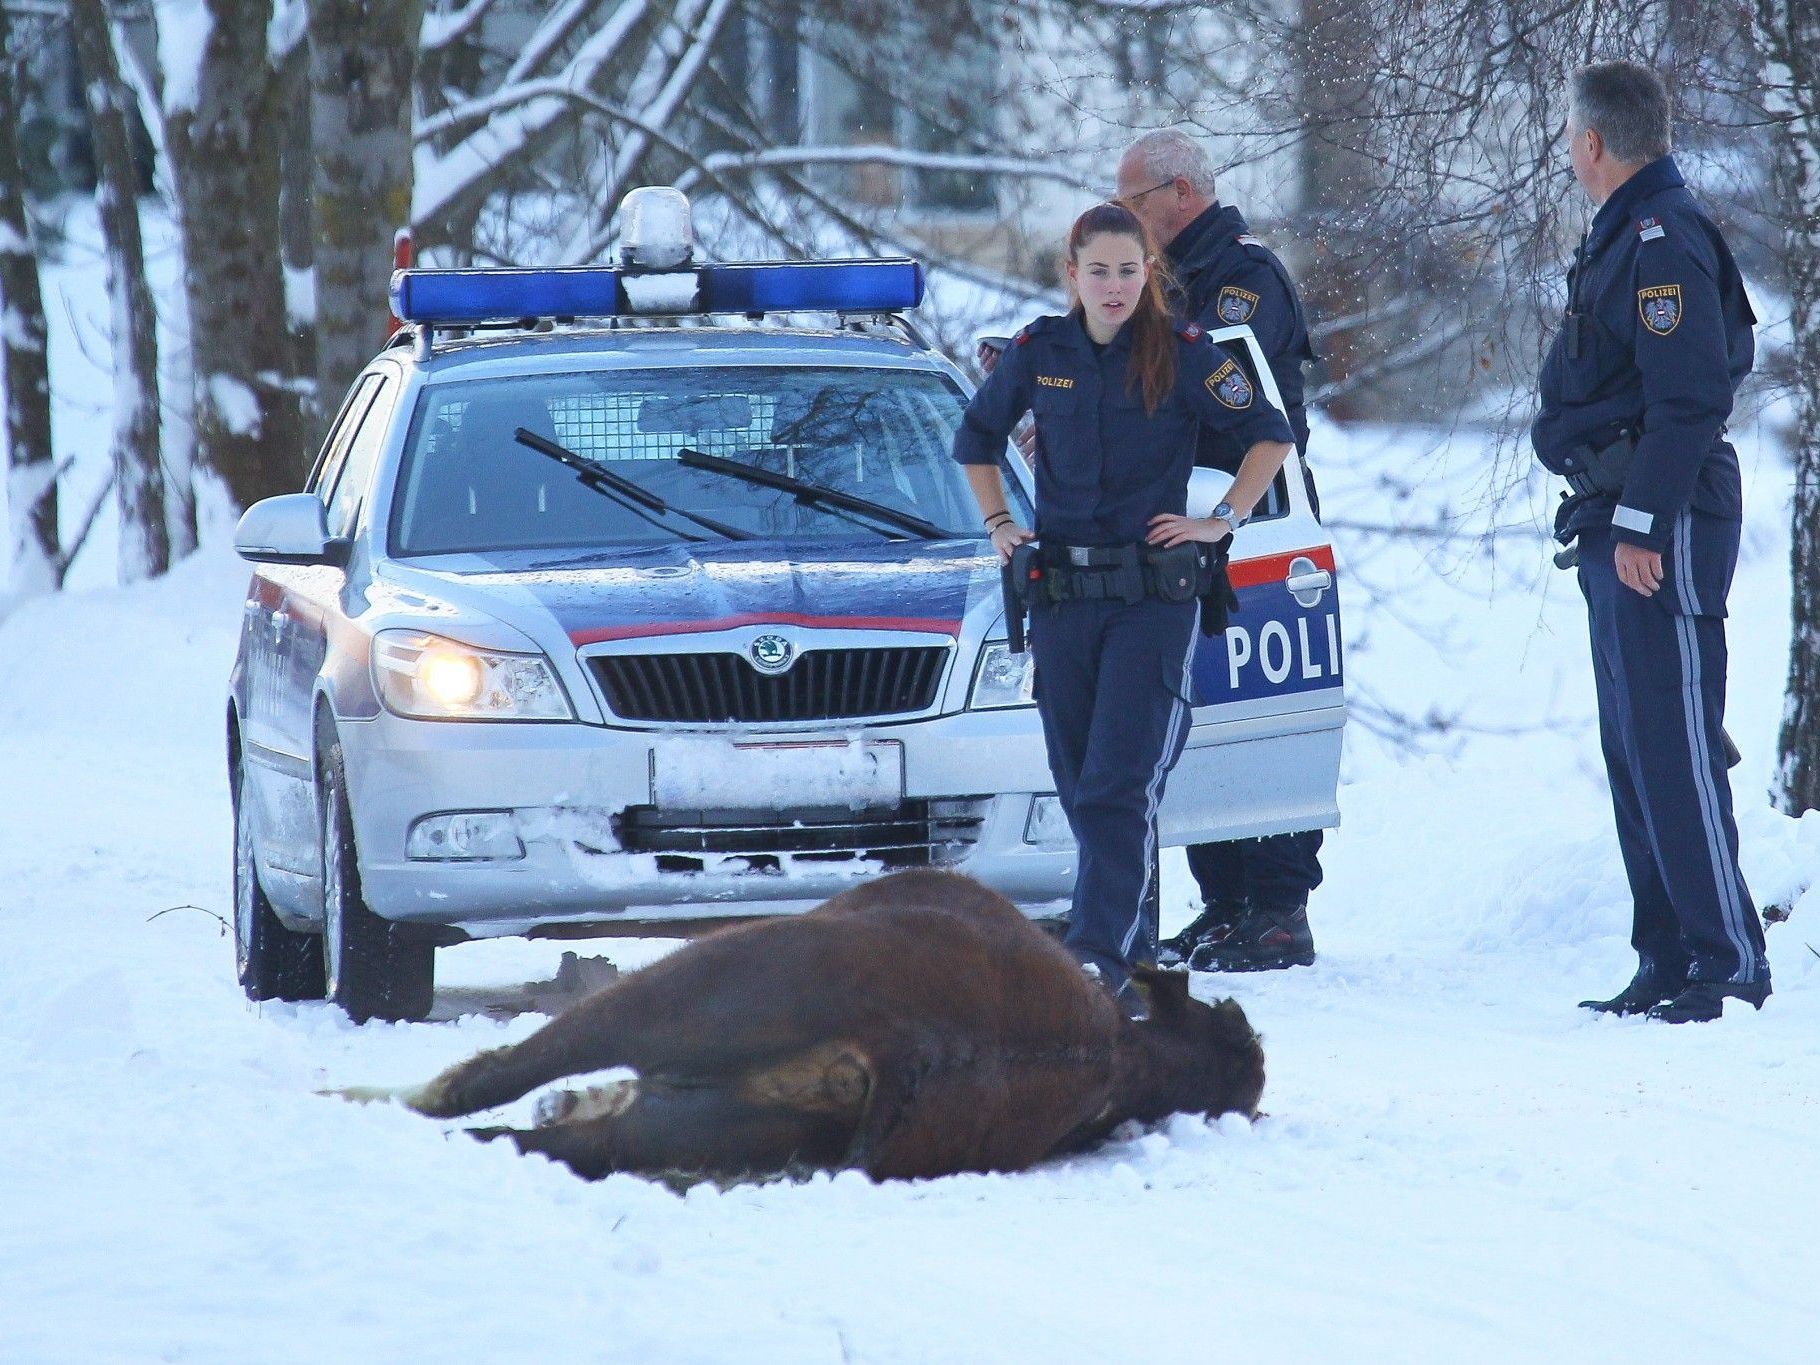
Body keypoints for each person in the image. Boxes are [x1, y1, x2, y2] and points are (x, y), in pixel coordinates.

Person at [951, 201, 1295, 1012]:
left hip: (1151, 605)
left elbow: (1270, 434)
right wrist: (999, 523)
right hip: (1063, 599)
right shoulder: (1041, 351)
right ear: (1072, 275)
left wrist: (1222, 520)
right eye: (1098, 271)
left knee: (1117, 788)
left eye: (1128, 271)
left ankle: (1094, 959)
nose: (1113, 286)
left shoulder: (1184, 351)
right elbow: (975, 438)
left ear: (1149, 274)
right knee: (1082, 788)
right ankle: (1133, 973)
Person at [1532, 61, 1770, 1023]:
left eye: (1570, 135)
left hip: (1658, 518)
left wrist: (1641, 521)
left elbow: (1691, 398)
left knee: (1674, 745)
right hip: (1617, 512)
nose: (1569, 149)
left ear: (1592, 142)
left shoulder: (1662, 238)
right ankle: (1667, 956)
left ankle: (1728, 961)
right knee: (1637, 748)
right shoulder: (1623, 232)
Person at [1115, 129, 1326, 972]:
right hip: (1190, 527)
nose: (1124, 217)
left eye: (1132, 202)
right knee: (1205, 712)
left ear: (1180, 193)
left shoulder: (1244, 279)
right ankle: (1228, 897)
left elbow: (1208, 392)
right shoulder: (1169, 279)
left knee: (1262, 710)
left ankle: (1278, 906)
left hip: (1255, 527)